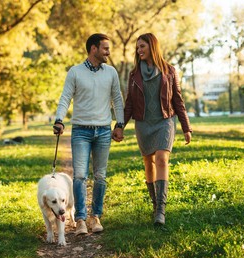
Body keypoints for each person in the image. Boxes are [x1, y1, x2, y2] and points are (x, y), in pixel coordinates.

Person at [113, 33, 192, 225]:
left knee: (162, 159)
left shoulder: (170, 71)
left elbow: (178, 101)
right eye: (138, 47)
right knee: (148, 163)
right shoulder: (134, 75)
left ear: (152, 47)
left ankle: (161, 211)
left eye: (142, 46)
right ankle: (155, 205)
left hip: (164, 121)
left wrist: (185, 127)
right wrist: (120, 126)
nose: (139, 50)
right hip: (143, 124)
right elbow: (130, 104)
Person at [53, 33, 124, 235]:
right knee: (81, 176)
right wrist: (59, 120)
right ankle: (81, 219)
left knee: (100, 176)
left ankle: (96, 217)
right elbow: (65, 97)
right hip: (81, 131)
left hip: (103, 130)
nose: (108, 52)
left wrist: (119, 124)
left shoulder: (111, 72)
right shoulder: (75, 72)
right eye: (105, 48)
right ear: (93, 49)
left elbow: (117, 99)